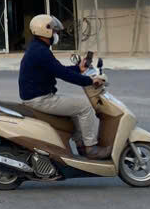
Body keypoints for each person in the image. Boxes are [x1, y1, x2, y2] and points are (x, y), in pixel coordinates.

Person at [19, 14, 108, 159]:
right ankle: (91, 148)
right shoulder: (41, 52)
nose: (56, 34)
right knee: (85, 106)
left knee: (76, 108)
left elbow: (58, 69)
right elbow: (63, 74)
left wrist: (79, 69)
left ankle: (81, 145)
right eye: (54, 31)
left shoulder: (38, 48)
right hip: (40, 99)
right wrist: (90, 81)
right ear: (45, 31)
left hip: (40, 96)